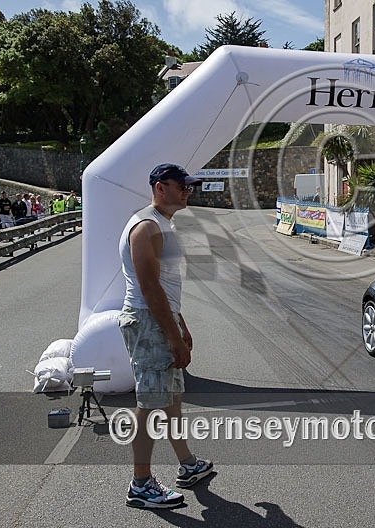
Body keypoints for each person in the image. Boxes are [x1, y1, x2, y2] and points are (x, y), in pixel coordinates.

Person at [118, 163, 212, 509]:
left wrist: (181, 324)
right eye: (182, 186)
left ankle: (187, 465)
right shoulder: (145, 226)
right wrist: (172, 335)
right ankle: (140, 484)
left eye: (190, 186)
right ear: (160, 187)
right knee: (151, 404)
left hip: (161, 317)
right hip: (148, 321)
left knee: (170, 399)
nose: (188, 191)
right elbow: (148, 287)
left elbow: (167, 287)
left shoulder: (162, 222)